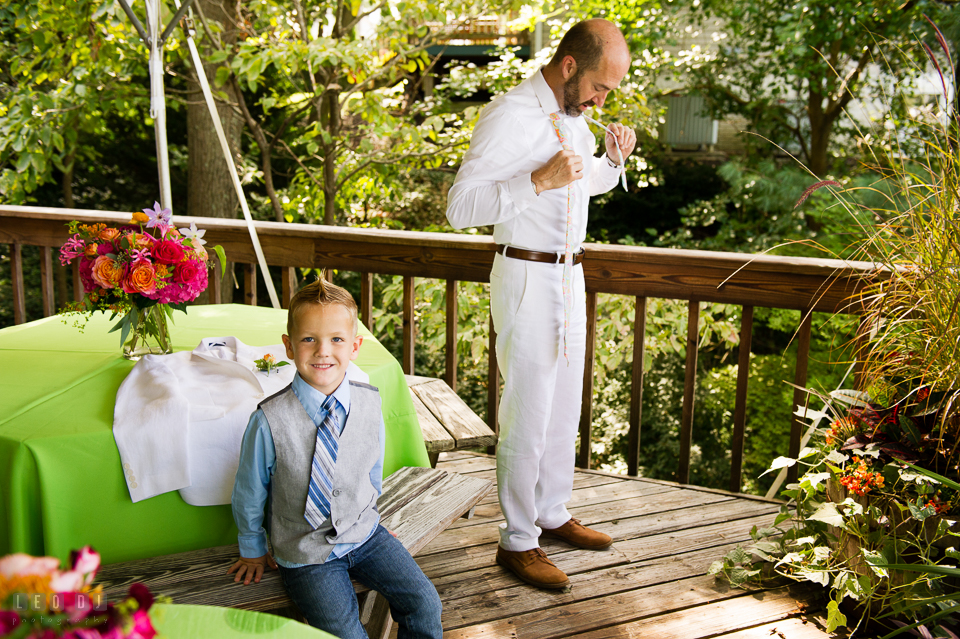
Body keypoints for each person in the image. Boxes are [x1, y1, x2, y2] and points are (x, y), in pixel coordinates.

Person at [445, 18, 637, 590]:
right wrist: (535, 181)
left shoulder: (575, 118)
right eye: (601, 86)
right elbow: (460, 207)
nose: (604, 99)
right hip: (525, 274)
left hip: (570, 277)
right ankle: (518, 539)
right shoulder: (509, 114)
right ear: (570, 66)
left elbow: (579, 186)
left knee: (561, 407)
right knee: (527, 411)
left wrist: (611, 161)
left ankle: (552, 513)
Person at [228, 278, 443, 639]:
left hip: (365, 535)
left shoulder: (369, 402)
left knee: (424, 603)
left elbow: (371, 469)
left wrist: (368, 514)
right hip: (306, 552)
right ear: (289, 346)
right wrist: (252, 548)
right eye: (309, 339)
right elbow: (250, 491)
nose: (323, 351)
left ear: (355, 346)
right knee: (346, 634)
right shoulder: (268, 420)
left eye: (337, 339)